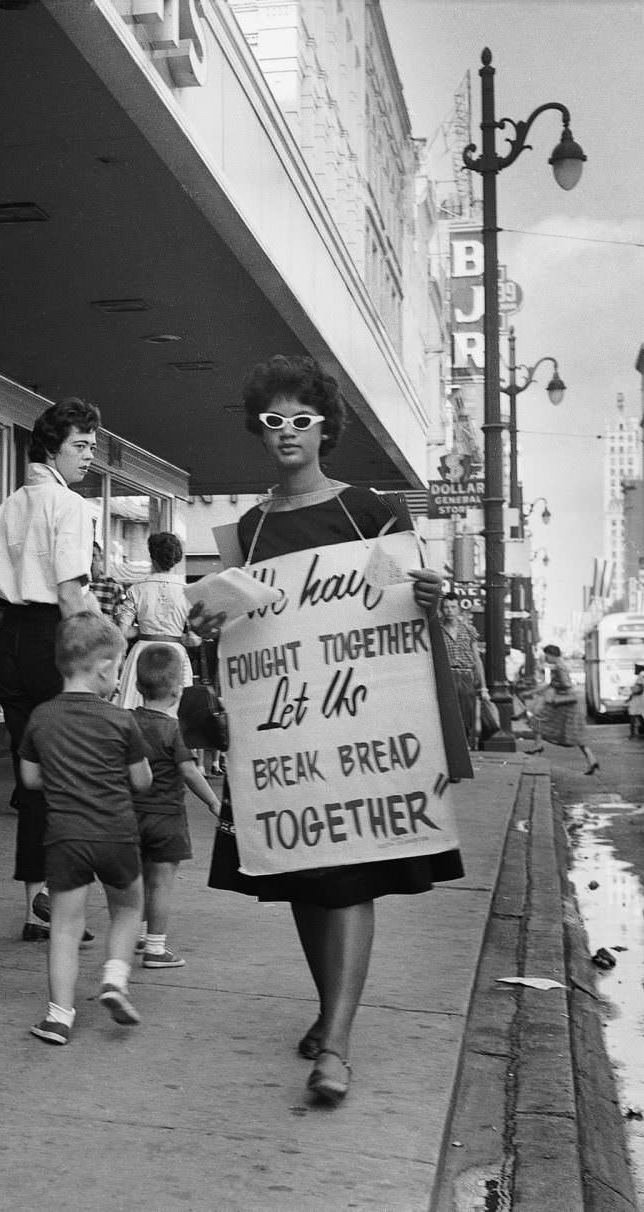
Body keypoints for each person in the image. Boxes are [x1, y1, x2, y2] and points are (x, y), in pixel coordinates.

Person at [192, 354, 462, 1106]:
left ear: (324, 429)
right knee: (303, 878)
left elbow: (406, 610)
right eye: (273, 421)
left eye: (301, 420)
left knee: (348, 876)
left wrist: (430, 592)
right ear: (259, 429)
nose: (287, 433)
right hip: (282, 733)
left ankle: (337, 1043)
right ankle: (327, 1011)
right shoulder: (245, 529)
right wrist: (209, 621)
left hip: (359, 728)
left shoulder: (371, 509)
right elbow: (235, 640)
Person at [0, 398, 101, 942]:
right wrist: (97, 655)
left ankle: (36, 910)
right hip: (56, 637)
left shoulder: (4, 508)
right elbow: (72, 592)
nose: (89, 457)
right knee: (72, 775)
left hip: (13, 642)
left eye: (93, 447)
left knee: (31, 777)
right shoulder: (69, 505)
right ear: (51, 447)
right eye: (80, 445)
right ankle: (64, 908)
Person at [19, 613, 152, 1045]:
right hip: (116, 834)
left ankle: (59, 1016)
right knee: (129, 909)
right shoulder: (120, 719)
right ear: (103, 668)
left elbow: (30, 780)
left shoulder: (41, 717)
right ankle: (114, 977)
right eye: (116, 669)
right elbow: (141, 780)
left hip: (65, 839)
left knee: (64, 926)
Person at [130, 644, 221, 970]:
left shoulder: (127, 723)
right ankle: (156, 947)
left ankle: (138, 933)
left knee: (139, 878)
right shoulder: (174, 730)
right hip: (166, 819)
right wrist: (213, 801)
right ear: (178, 689)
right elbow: (189, 772)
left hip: (131, 816)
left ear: (139, 687)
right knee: (161, 884)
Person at [114, 531, 197, 710]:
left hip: (143, 651)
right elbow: (194, 638)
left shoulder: (137, 589)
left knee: (136, 708)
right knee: (174, 712)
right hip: (175, 652)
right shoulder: (188, 591)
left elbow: (122, 631)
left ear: (152, 557)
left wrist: (138, 631)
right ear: (176, 559)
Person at [524, 644, 601, 772]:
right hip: (565, 704)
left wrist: (557, 691)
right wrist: (532, 691)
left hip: (563, 703)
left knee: (537, 719)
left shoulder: (560, 667)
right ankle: (592, 760)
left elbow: (566, 685)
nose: (546, 658)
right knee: (575, 732)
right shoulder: (559, 666)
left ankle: (538, 745)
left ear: (552, 655)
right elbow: (551, 685)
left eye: (547, 655)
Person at [438, 593, 486, 748]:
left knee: (466, 714)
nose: (449, 611)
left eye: (453, 607)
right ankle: (450, 747)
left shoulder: (468, 630)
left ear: (459, 609)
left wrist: (483, 687)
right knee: (448, 714)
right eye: (446, 607)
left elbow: (477, 658)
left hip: (466, 675)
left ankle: (466, 746)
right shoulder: (437, 630)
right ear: (442, 609)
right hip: (446, 675)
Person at [88, 541, 129, 623]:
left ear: (100, 557)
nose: (91, 560)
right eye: (87, 555)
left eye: (93, 555)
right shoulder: (76, 586)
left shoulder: (113, 586)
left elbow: (120, 618)